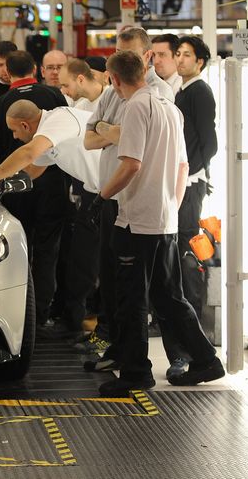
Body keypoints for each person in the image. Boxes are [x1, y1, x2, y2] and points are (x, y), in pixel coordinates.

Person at [94, 50, 224, 397]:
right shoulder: (169, 106)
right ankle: (205, 358)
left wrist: (103, 195)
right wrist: (170, 206)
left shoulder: (136, 106)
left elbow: (131, 164)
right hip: (164, 216)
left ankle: (136, 372)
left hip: (136, 219)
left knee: (132, 297)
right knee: (168, 296)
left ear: (115, 78)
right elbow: (183, 167)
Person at [0, 100, 101, 336]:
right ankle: (76, 325)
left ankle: (97, 330)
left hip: (112, 193)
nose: (15, 137)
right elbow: (33, 169)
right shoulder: (47, 134)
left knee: (92, 266)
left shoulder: (59, 120)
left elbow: (28, 152)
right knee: (81, 263)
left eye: (15, 131)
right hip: (95, 194)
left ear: (26, 125)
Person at [0, 51, 69, 329]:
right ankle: (43, 313)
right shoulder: (54, 97)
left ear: (8, 70)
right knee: (49, 251)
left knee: (17, 251)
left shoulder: (0, 104)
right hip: (54, 185)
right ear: (35, 68)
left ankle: (18, 313)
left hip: (16, 188)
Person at [173, 36, 217, 320]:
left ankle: (194, 311)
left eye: (186, 55)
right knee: (180, 243)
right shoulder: (183, 90)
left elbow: (209, 140)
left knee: (188, 242)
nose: (180, 59)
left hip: (191, 180)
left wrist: (195, 171)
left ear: (199, 62)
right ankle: (184, 307)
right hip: (183, 178)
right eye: (178, 53)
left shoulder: (199, 91)